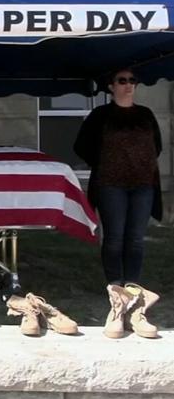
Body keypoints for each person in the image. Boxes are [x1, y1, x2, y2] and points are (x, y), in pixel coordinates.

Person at [74, 68, 163, 285]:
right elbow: (81, 145)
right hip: (111, 184)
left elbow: (156, 145)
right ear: (112, 87)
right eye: (122, 81)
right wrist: (104, 162)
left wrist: (142, 162)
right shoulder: (101, 115)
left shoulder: (145, 114)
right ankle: (115, 283)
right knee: (114, 238)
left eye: (132, 80)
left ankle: (132, 284)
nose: (128, 85)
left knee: (135, 239)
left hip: (143, 184)